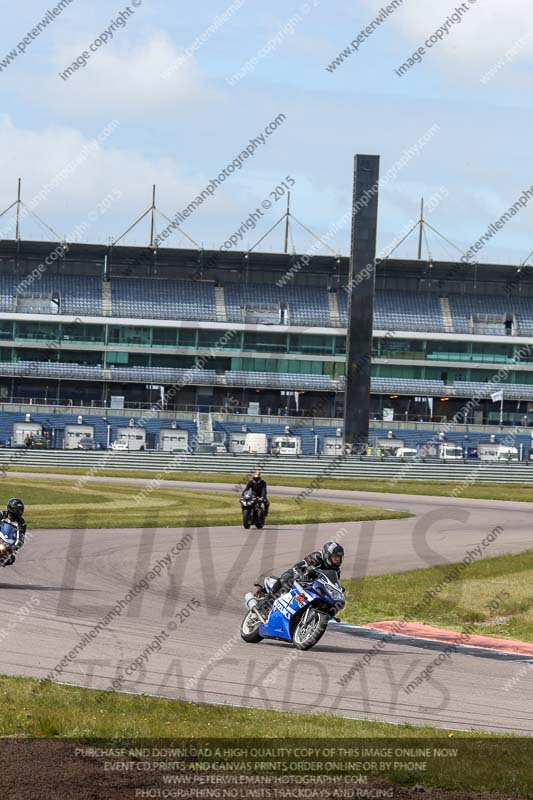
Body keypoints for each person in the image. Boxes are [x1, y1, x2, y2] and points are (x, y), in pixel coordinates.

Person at [264, 540, 344, 603]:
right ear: (327, 555)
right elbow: (297, 567)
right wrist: (301, 574)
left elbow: (333, 584)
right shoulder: (316, 557)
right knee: (285, 579)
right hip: (299, 577)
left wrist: (339, 589)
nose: (337, 560)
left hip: (312, 585)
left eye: (339, 557)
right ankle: (264, 604)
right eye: (335, 557)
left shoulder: (336, 571)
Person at [0, 498, 26, 567]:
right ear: (11, 508)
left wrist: (14, 547)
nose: (20, 512)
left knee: (11, 559)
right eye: (18, 510)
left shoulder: (21, 523)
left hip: (8, 545)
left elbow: (21, 538)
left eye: (21, 510)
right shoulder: (3, 514)